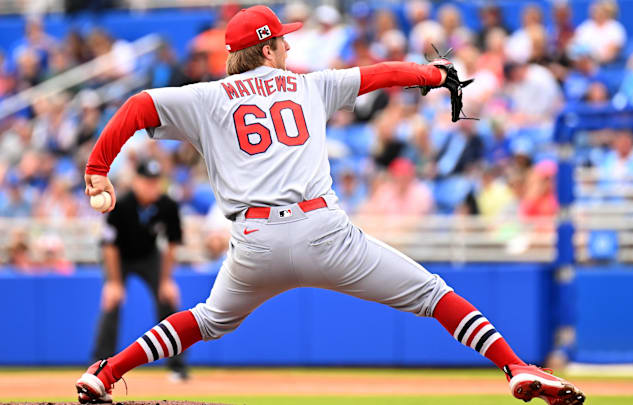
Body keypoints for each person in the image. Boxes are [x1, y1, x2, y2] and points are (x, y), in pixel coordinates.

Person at [75, 6, 585, 405]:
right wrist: (436, 77)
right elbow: (381, 74)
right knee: (433, 295)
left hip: (255, 242)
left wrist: (98, 168)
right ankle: (515, 365)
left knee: (207, 321)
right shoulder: (307, 84)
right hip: (324, 230)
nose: (288, 42)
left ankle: (109, 372)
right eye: (281, 38)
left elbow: (138, 106)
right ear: (267, 48)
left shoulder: (209, 96)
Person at [90, 159, 189, 382]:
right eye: (147, 181)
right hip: (119, 258)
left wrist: (166, 280)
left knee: (168, 300)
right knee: (112, 302)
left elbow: (172, 243)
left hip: (149, 256)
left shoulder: (168, 205)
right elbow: (109, 246)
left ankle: (178, 366)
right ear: (136, 182)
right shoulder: (122, 204)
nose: (151, 186)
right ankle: (99, 366)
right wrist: (113, 282)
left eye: (155, 182)